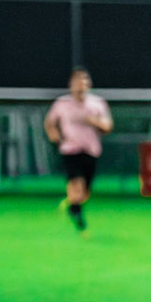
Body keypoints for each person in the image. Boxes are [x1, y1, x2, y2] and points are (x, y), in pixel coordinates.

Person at [44, 68, 112, 233]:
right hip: (70, 149)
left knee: (84, 192)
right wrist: (55, 137)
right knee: (76, 183)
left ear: (89, 85)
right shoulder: (62, 104)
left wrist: (93, 121)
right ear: (71, 85)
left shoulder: (97, 103)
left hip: (91, 150)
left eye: (83, 82)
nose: (80, 86)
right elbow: (50, 122)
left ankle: (73, 206)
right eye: (77, 83)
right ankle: (77, 214)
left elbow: (107, 126)